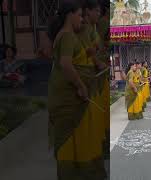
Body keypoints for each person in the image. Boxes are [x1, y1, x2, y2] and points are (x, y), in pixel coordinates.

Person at [47, 1, 106, 179]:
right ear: (69, 15)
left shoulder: (68, 35)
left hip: (72, 96)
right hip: (68, 97)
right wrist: (81, 86)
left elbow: (76, 59)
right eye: (80, 15)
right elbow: (65, 64)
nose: (82, 19)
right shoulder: (67, 36)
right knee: (69, 140)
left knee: (79, 137)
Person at [80, 0, 109, 160]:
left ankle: (100, 144)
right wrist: (98, 62)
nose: (98, 14)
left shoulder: (94, 27)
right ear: (87, 11)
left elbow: (98, 48)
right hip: (91, 74)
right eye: (96, 11)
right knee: (93, 112)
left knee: (100, 111)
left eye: (99, 11)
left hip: (99, 74)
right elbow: (88, 52)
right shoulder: (84, 29)